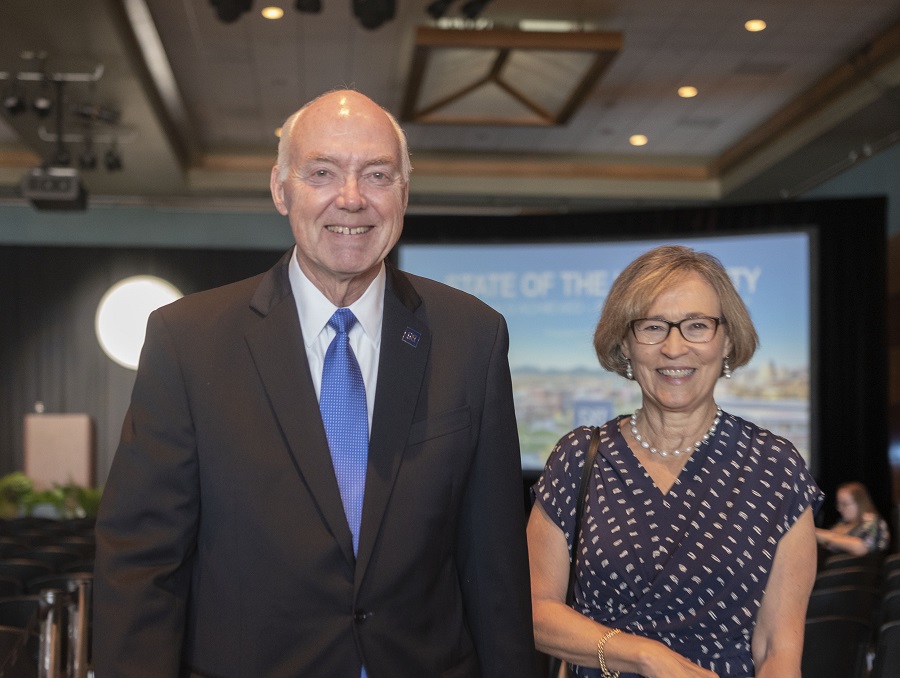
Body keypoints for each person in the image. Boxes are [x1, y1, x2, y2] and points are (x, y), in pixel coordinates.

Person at [92, 89, 534, 677]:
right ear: (281, 189)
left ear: (404, 191)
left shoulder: (473, 337)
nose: (351, 199)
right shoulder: (189, 340)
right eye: (322, 172)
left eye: (377, 174)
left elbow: (494, 562)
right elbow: (142, 562)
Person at [527, 245, 823, 678]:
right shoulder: (577, 457)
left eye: (697, 326)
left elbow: (778, 648)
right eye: (652, 327)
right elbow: (534, 611)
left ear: (727, 340)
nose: (674, 347)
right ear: (626, 345)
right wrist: (645, 657)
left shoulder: (776, 467)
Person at [815, 481, 890, 556]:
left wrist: (825, 538)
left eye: (844, 504)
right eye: (839, 504)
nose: (839, 508)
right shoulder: (844, 523)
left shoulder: (873, 522)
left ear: (859, 503)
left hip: (865, 566)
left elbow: (862, 547)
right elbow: (832, 535)